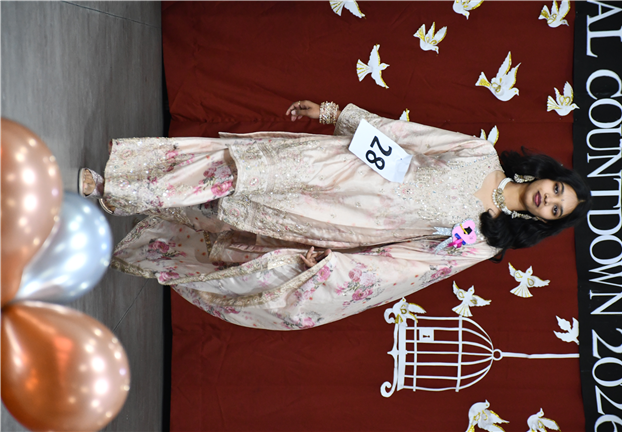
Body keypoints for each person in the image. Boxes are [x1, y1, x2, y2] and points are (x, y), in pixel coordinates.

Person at [79, 101, 591, 330]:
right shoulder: (480, 153)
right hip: (344, 166)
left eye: (555, 209)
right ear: (546, 174)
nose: (548, 199)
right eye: (556, 190)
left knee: (231, 216)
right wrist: (336, 115)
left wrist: (336, 266)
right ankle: (116, 187)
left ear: (545, 222)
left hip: (340, 219)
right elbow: (409, 139)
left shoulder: (483, 239)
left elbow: (411, 267)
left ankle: (140, 211)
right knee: (236, 167)